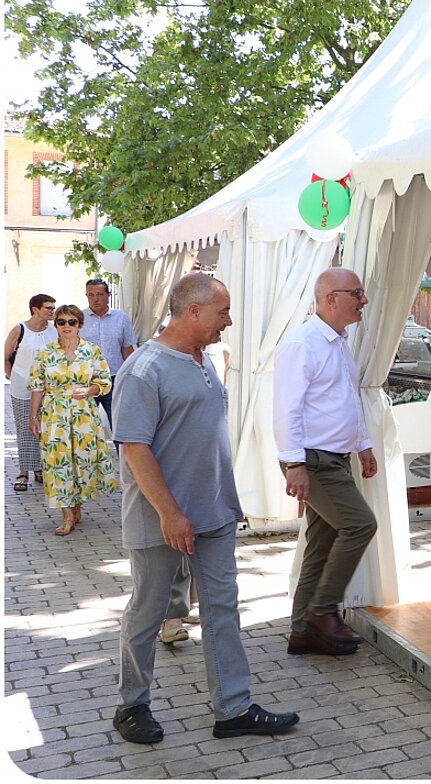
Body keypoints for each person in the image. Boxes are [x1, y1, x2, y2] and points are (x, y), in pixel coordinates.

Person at [112, 273, 299, 743]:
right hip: (161, 518)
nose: (228, 321)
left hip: (214, 512)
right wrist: (170, 513)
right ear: (193, 312)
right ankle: (131, 705)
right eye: (223, 312)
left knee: (222, 609)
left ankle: (233, 708)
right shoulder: (143, 369)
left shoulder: (205, 358)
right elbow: (134, 448)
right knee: (149, 610)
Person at [274, 268, 378, 657]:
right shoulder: (303, 344)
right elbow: (286, 409)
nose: (363, 300)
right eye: (357, 293)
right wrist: (295, 465)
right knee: (360, 524)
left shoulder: (338, 342)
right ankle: (321, 611)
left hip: (332, 458)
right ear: (331, 298)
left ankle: (303, 632)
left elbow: (345, 400)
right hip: (312, 461)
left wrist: (363, 445)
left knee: (321, 543)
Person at [28, 304, 118, 535]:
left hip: (83, 414)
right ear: (55, 325)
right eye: (61, 322)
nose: (66, 326)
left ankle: (76, 505)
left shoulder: (92, 351)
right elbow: (37, 386)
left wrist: (89, 391)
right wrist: (33, 417)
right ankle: (66, 514)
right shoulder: (44, 353)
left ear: (80, 325)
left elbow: (104, 382)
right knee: (58, 463)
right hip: (54, 414)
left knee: (81, 461)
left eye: (72, 322)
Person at [5, 294, 57, 492]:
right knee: (25, 428)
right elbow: (6, 355)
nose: (52, 311)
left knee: (44, 428)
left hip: (48, 388)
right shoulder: (20, 329)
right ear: (35, 310)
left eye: (53, 308)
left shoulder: (53, 330)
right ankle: (23, 472)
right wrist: (11, 375)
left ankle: (39, 468)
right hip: (23, 387)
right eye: (48, 308)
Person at [82, 277, 138, 428]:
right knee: (85, 426)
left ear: (109, 295)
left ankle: (120, 445)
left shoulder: (121, 318)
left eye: (100, 294)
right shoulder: (79, 319)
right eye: (91, 295)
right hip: (87, 379)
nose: (95, 299)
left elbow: (127, 350)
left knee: (119, 424)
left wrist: (132, 377)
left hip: (114, 379)